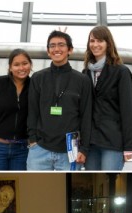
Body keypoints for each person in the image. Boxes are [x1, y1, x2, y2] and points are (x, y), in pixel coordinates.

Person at [27, 30, 92, 171]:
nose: (57, 49)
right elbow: (32, 111)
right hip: (40, 151)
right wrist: (32, 140)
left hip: (70, 153)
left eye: (61, 45)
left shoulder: (82, 80)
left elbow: (86, 116)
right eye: (52, 45)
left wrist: (84, 148)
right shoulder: (38, 78)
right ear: (48, 51)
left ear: (70, 50)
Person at [83, 25, 132, 171]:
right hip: (90, 142)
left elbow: (128, 110)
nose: (95, 45)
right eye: (92, 41)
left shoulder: (121, 72)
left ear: (108, 43)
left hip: (112, 141)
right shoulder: (86, 73)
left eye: (100, 41)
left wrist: (129, 146)